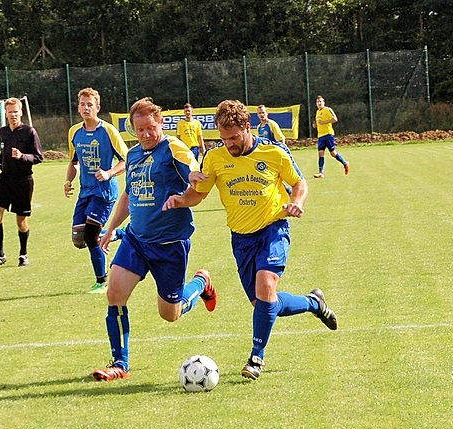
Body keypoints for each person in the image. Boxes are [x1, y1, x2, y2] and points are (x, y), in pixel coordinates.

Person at [163, 100, 338, 380]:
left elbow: (300, 183)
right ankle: (314, 303)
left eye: (233, 137)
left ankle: (257, 357)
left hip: (273, 228)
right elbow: (200, 193)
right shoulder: (215, 158)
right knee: (264, 304)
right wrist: (181, 200)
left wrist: (297, 202)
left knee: (266, 286)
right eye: (223, 138)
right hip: (241, 239)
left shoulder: (274, 152)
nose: (228, 144)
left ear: (247, 127)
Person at [92, 97, 218, 381]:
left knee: (170, 314)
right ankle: (120, 363)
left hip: (170, 245)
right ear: (133, 131)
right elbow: (128, 194)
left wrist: (194, 175)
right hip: (137, 241)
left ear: (160, 123)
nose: (147, 134)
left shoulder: (172, 146)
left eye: (151, 128)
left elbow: (189, 165)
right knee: (114, 295)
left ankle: (201, 283)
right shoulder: (134, 155)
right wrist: (112, 227)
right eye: (140, 130)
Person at [64, 87, 129, 293]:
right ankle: (118, 234)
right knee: (78, 238)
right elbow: (74, 161)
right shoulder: (74, 132)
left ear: (97, 107)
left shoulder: (108, 131)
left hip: (104, 192)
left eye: (89, 104)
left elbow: (126, 160)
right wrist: (68, 181)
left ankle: (102, 281)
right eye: (82, 104)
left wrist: (109, 173)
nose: (85, 108)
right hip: (86, 191)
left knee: (91, 236)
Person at [0, 97, 44, 268]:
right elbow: (3, 154)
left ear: (21, 112)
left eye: (16, 112)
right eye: (10, 112)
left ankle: (23, 254)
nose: (13, 115)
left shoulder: (29, 132)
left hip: (23, 182)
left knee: (21, 222)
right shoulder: (2, 132)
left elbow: (39, 157)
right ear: (6, 113)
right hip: (5, 180)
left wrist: (22, 156)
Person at [313, 96, 349, 178]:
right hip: (320, 136)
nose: (319, 103)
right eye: (317, 102)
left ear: (323, 102)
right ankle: (321, 173)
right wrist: (315, 125)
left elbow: (335, 119)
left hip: (328, 135)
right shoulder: (317, 112)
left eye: (320, 101)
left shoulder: (327, 109)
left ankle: (345, 163)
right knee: (320, 154)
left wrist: (324, 122)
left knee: (333, 153)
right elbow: (318, 123)